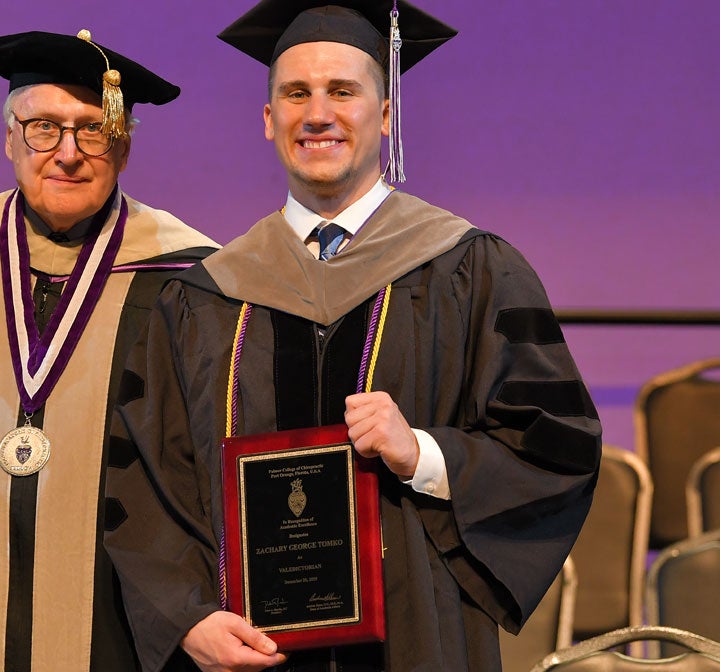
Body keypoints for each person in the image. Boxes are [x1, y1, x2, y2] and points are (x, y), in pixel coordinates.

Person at [103, 1, 603, 670]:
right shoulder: (204, 296)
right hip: (249, 651)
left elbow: (555, 449)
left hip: (416, 641)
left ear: (387, 114)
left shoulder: (471, 269)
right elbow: (144, 480)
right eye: (296, 93)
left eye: (343, 91)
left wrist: (423, 454)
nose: (317, 113)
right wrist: (187, 617)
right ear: (267, 118)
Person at [0, 30, 217, 672]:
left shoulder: (187, 280)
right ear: (8, 138)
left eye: (92, 130)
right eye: (43, 128)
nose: (67, 153)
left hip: (119, 629)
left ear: (124, 145)